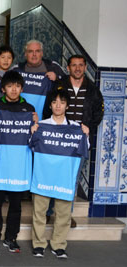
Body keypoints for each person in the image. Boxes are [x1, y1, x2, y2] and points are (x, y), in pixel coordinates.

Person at [42, 54, 104, 227]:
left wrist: (88, 126)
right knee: (52, 176)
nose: (77, 68)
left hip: (78, 143)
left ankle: (66, 215)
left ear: (85, 67)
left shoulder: (93, 89)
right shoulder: (58, 85)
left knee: (71, 179)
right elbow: (48, 109)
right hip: (56, 141)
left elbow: (99, 112)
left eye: (81, 65)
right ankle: (47, 212)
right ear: (68, 67)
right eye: (74, 65)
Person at [30, 91, 89, 259]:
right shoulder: (41, 125)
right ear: (50, 105)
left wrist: (85, 134)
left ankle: (58, 245)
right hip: (43, 175)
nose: (58, 105)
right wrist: (33, 132)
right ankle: (39, 244)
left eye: (62, 102)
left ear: (67, 106)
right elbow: (31, 146)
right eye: (54, 102)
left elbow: (85, 149)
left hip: (64, 177)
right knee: (39, 212)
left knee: (63, 214)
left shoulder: (77, 128)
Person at [0, 70, 37, 253]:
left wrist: (35, 128)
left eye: (17, 86)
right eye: (10, 86)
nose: (14, 90)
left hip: (19, 164)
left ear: (22, 88)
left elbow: (34, 139)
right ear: (3, 88)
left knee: (16, 204)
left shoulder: (29, 109)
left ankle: (11, 237)